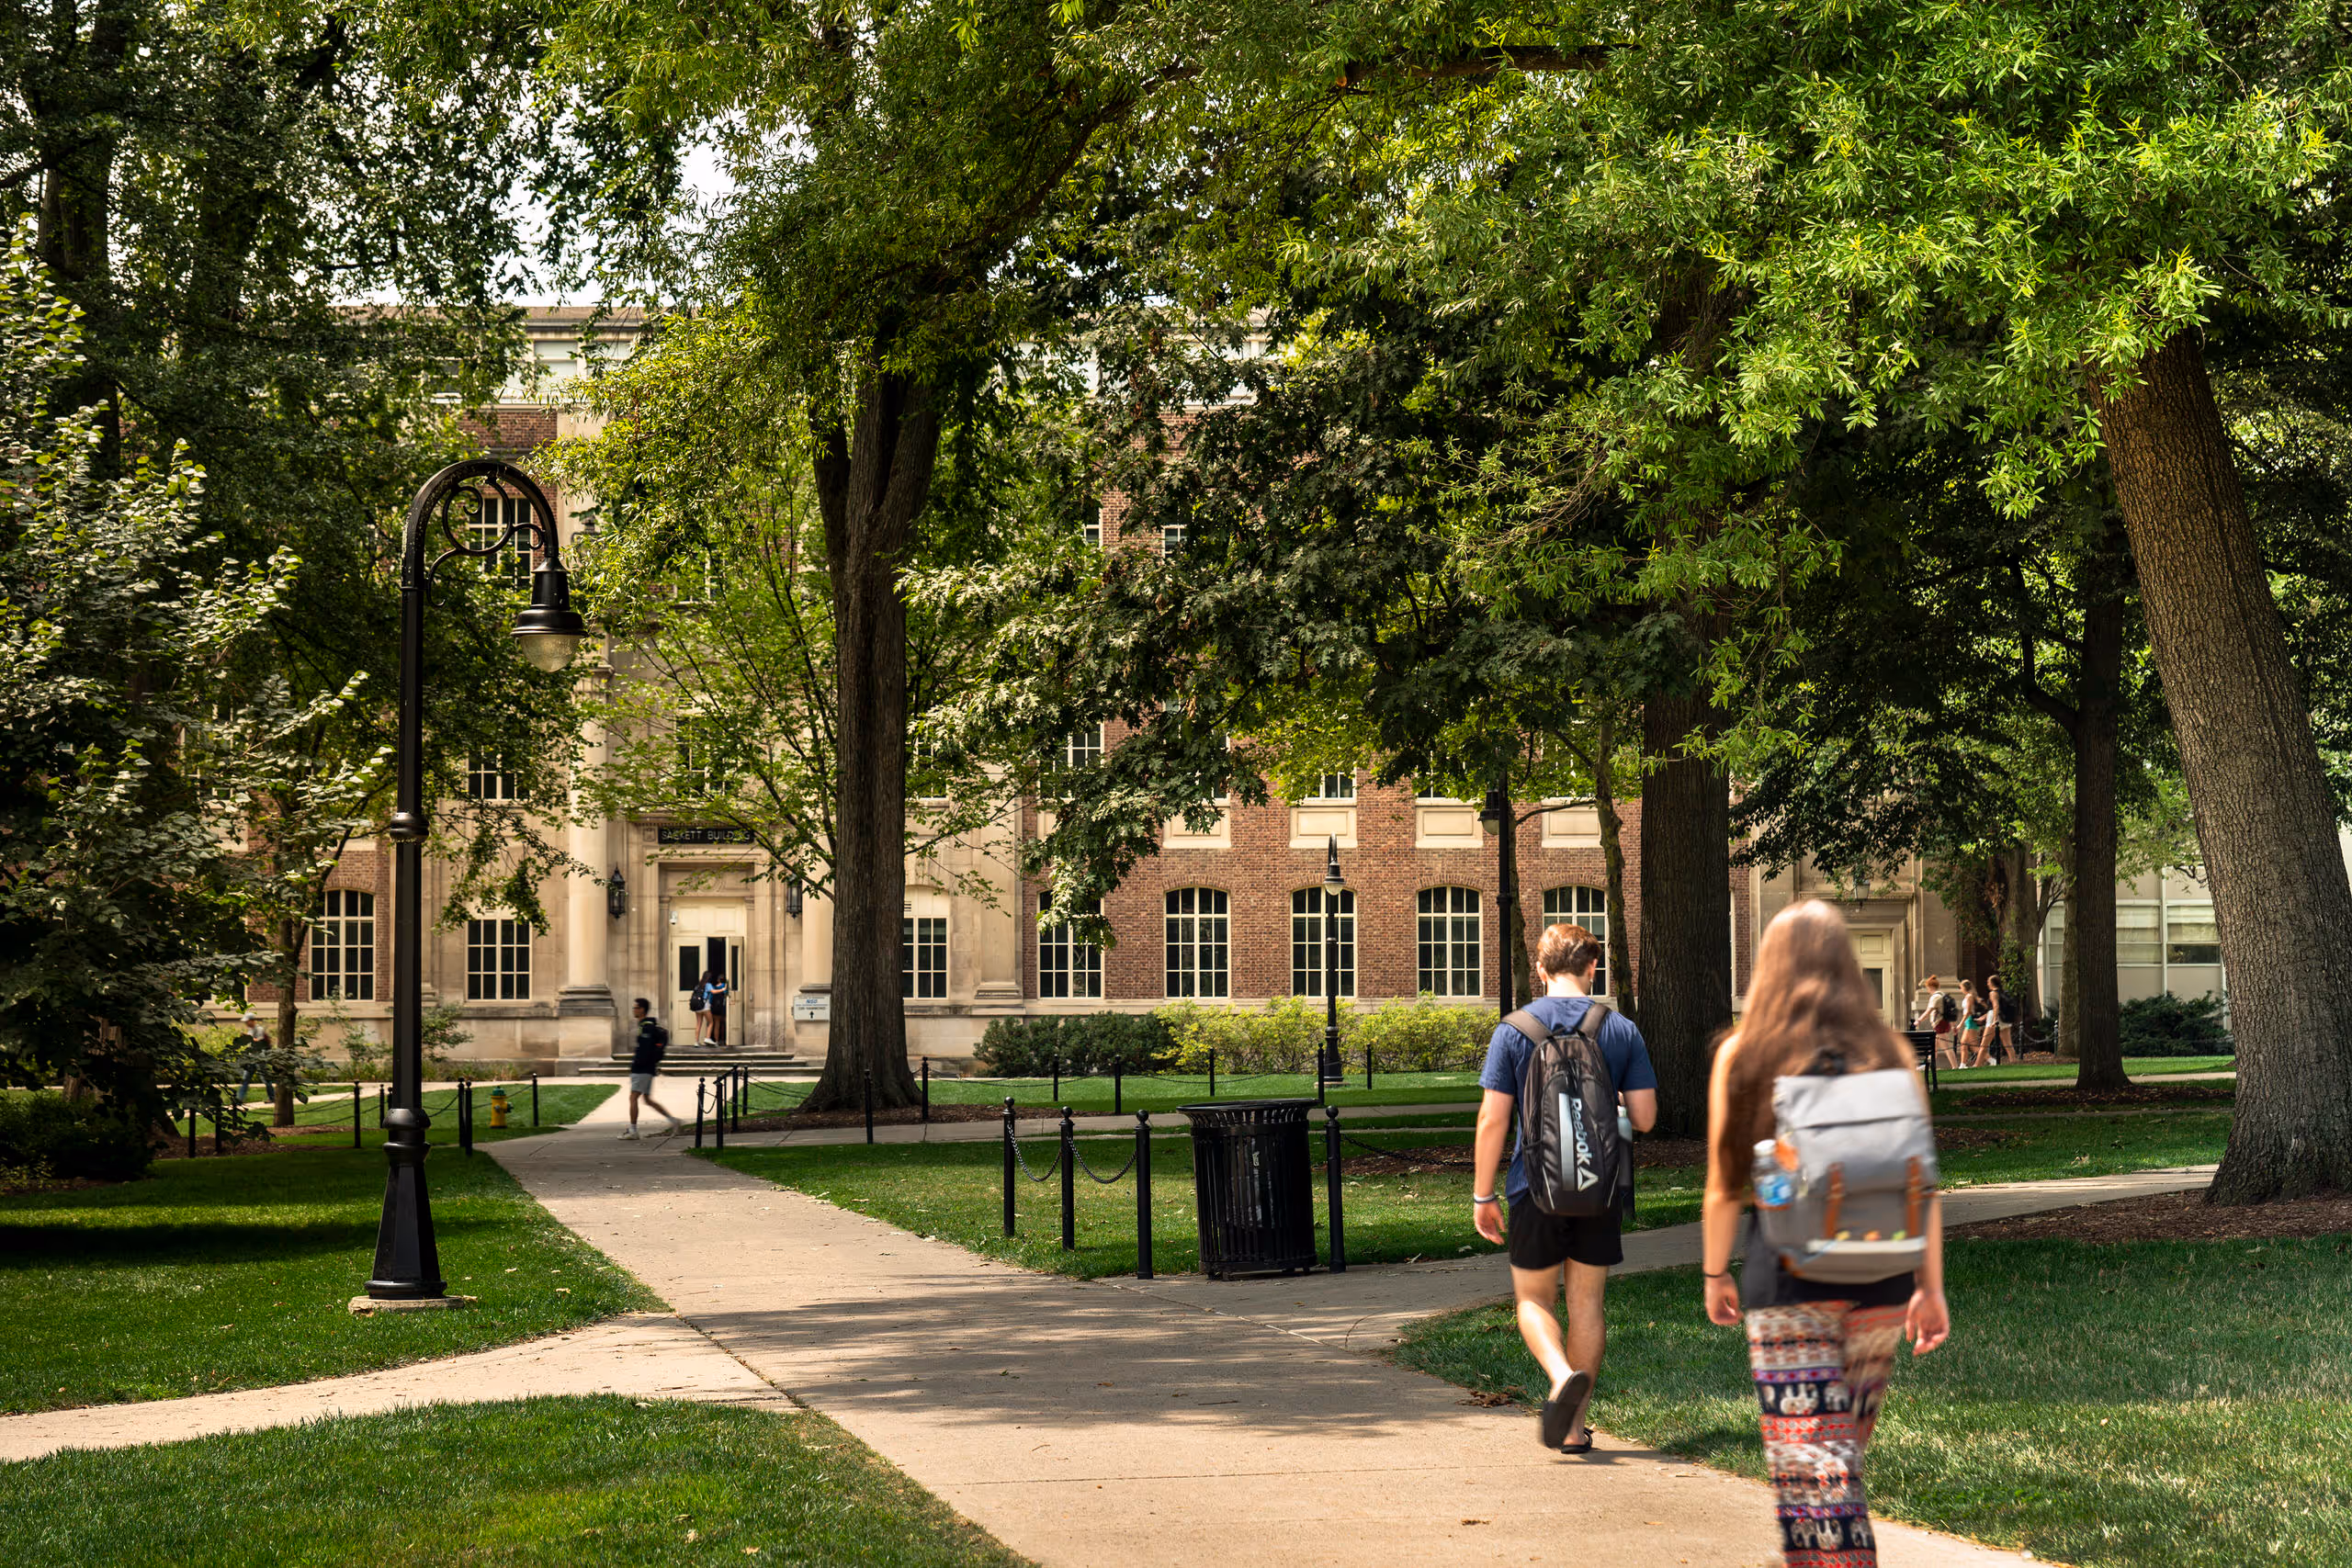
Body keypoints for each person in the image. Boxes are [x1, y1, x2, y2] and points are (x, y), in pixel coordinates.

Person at [1702, 900, 1950, 1568]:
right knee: (1836, 1461)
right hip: (1882, 1280)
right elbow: (1920, 1185)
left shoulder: (1744, 1054)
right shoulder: (1891, 1053)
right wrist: (1930, 1286)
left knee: (1814, 1464)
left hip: (1787, 1281)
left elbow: (1725, 1183)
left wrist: (1714, 1272)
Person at [1472, 921, 1659, 1454]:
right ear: (1592, 967)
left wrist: (1483, 1195)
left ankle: (1557, 1376)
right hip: (1598, 1189)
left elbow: (1492, 1121)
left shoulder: (1514, 1029)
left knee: (1533, 1299)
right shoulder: (1619, 1029)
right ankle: (1574, 1427)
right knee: (1587, 1303)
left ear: (1540, 968)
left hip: (1533, 1186)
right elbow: (1644, 1118)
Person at [621, 998, 679, 1140]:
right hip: (647, 1068)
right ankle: (674, 1121)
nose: (633, 1010)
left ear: (642, 1009)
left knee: (633, 1097)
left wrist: (637, 1064)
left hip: (642, 1069)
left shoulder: (646, 1027)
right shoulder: (646, 1026)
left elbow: (645, 1050)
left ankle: (633, 1131)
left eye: (636, 1007)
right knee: (647, 1099)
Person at [1910, 976, 1956, 1071]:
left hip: (1939, 1024)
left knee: (1946, 1047)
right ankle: (1928, 1065)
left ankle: (1955, 1067)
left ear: (1930, 987)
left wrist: (1918, 1020)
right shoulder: (1942, 995)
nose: (1927, 990)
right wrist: (1953, 1026)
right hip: (1943, 1023)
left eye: (1927, 988)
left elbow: (1928, 1011)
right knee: (1934, 1047)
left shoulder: (1935, 997)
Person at [1953, 979, 1984, 1069]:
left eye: (1961, 988)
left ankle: (1991, 1059)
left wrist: (1960, 1024)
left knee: (1974, 1047)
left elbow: (1969, 1012)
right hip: (1968, 1021)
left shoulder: (1970, 996)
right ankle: (1962, 1065)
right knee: (1963, 1044)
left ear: (1965, 988)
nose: (1961, 990)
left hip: (1970, 1021)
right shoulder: (1968, 996)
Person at [701, 964, 729, 1048]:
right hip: (721, 1007)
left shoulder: (712, 986)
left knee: (713, 1023)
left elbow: (711, 996)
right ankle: (721, 1039)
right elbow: (726, 995)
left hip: (713, 1006)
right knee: (721, 1024)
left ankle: (714, 1040)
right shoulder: (724, 986)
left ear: (717, 980)